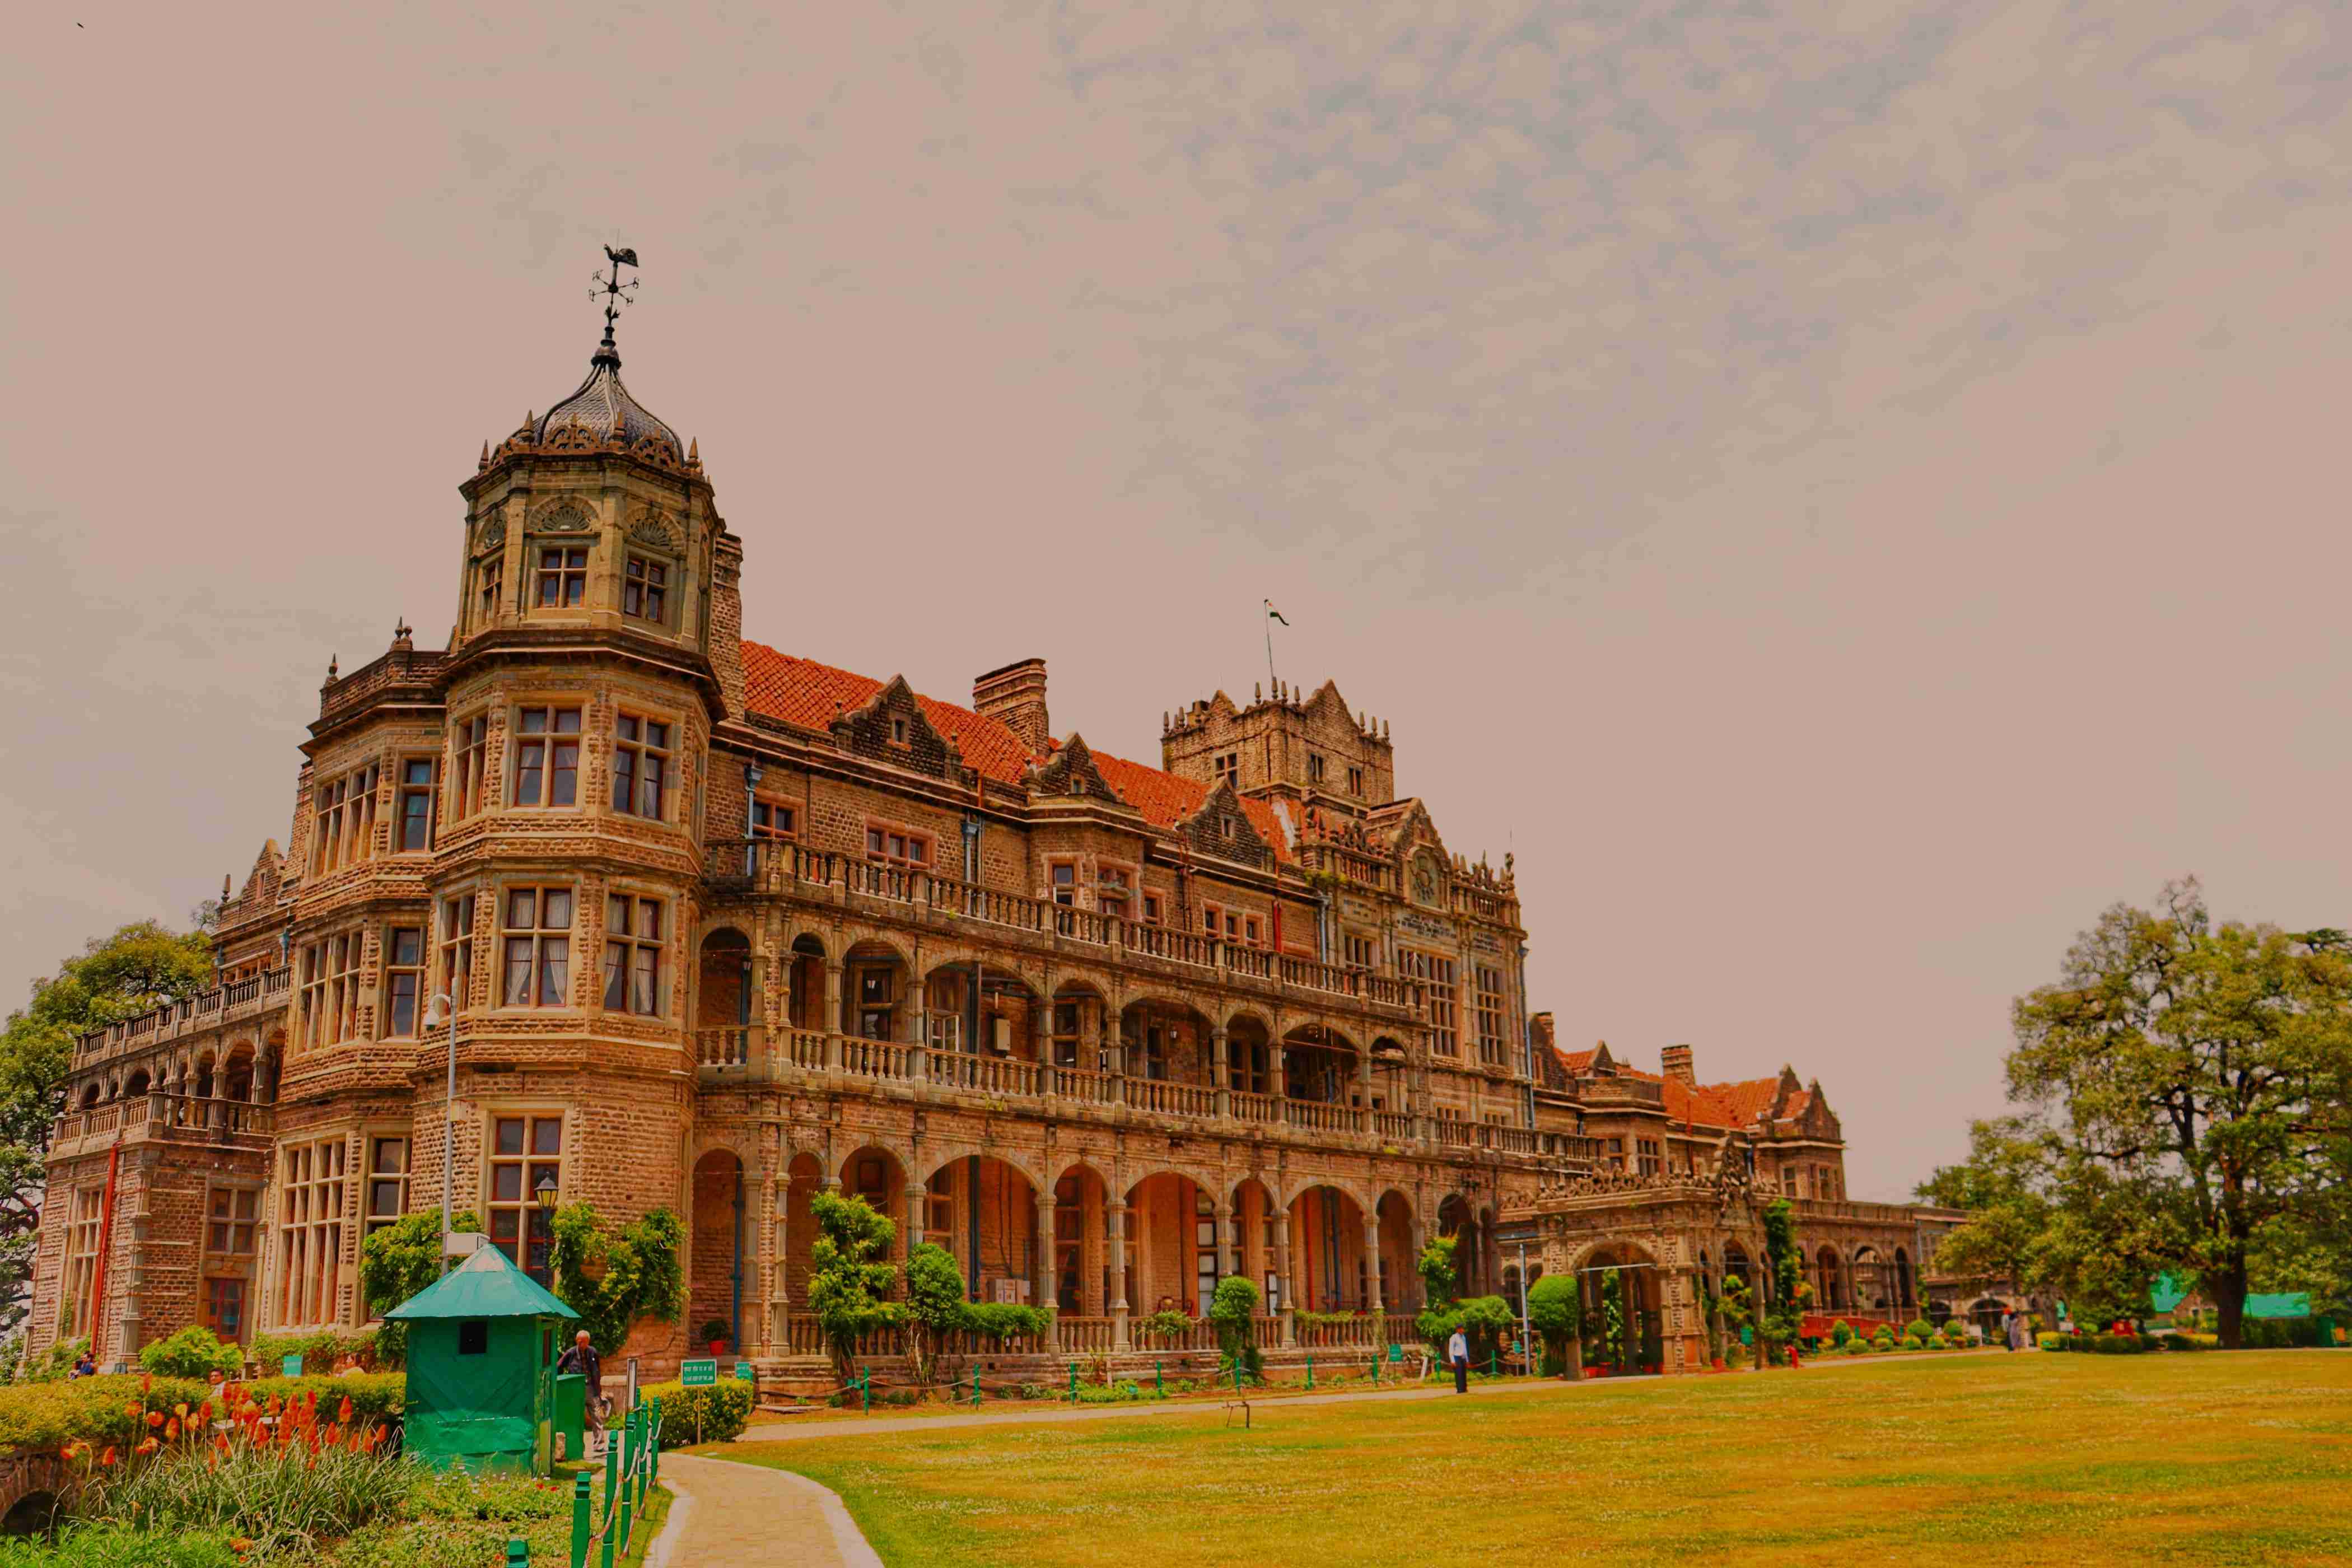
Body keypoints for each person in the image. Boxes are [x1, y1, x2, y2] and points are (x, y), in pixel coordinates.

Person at [555, 1330, 605, 1453]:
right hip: (576, 1389)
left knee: (597, 1417)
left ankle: (599, 1445)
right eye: (578, 1340)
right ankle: (577, 1446)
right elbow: (558, 1366)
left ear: (588, 1341)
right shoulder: (571, 1353)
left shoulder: (593, 1352)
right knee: (576, 1417)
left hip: (591, 1388)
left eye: (583, 1341)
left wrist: (598, 1388)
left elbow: (597, 1370)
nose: (580, 1343)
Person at [1448, 1327, 1470, 1394]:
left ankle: (1464, 1389)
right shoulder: (1454, 1337)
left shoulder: (1464, 1337)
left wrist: (1467, 1360)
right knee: (1459, 1374)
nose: (1462, 1330)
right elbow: (1451, 1349)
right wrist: (1453, 1361)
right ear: (1457, 1330)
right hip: (1457, 1357)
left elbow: (1465, 1349)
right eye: (1460, 1329)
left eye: (1463, 1329)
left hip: (1463, 1357)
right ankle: (1460, 1390)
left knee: (1464, 1374)